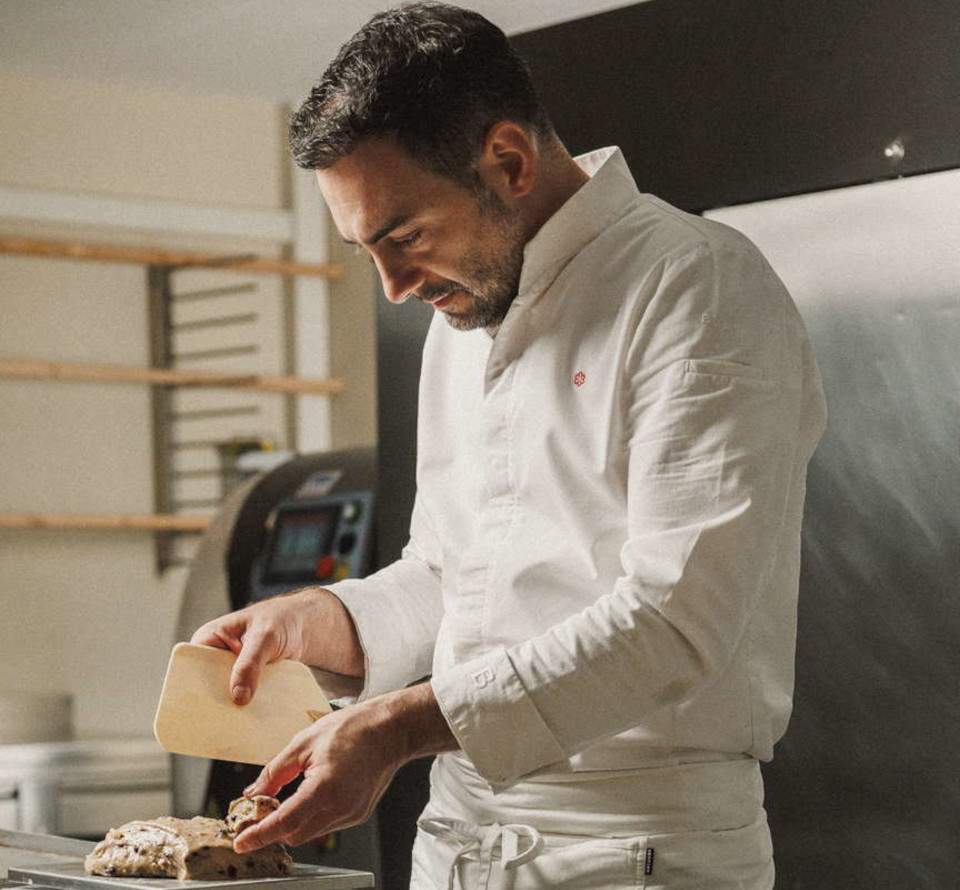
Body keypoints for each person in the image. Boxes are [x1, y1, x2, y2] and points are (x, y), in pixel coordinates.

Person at [192, 3, 827, 887]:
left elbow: (677, 620)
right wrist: (325, 624)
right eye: (364, 249)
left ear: (508, 161)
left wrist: (395, 728)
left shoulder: (698, 288)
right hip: (457, 837)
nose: (394, 286)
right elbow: (455, 574)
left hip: (634, 850)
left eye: (403, 236)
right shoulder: (464, 320)